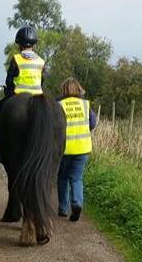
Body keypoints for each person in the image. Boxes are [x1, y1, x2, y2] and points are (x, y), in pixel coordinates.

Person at [57, 77, 96, 222]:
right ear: (79, 88)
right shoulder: (86, 105)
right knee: (76, 178)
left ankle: (63, 208)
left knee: (62, 177)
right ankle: (77, 203)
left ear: (64, 90)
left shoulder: (59, 104)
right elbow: (92, 123)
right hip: (82, 148)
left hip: (64, 149)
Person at [0, 26, 45, 125]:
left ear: (19, 44)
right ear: (34, 45)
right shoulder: (41, 61)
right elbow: (42, 81)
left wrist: (9, 92)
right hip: (38, 96)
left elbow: (9, 80)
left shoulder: (16, 59)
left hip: (18, 94)